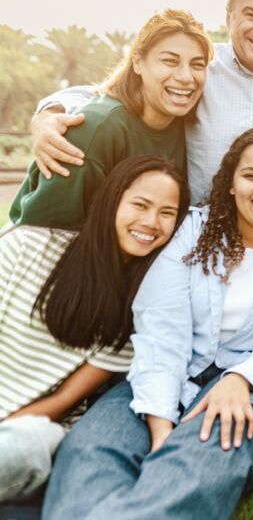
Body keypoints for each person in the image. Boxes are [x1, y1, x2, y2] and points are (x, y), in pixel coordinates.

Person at [42, 127, 253, 520]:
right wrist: (160, 424)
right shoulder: (192, 233)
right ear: (230, 182)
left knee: (204, 452)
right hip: (177, 369)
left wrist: (241, 379)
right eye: (251, 175)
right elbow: (162, 329)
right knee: (92, 448)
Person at [29, 0, 253, 204]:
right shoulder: (198, 67)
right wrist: (47, 115)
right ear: (229, 19)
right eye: (252, 15)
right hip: (192, 236)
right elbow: (113, 91)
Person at [0, 156, 188, 505]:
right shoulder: (27, 247)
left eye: (167, 213)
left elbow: (62, 401)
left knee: (23, 444)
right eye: (140, 205)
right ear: (111, 201)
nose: (151, 222)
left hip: (27, 433)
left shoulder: (139, 312)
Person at [9, 10, 210, 229]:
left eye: (197, 65)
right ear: (138, 62)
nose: (185, 77)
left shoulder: (192, 123)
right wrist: (46, 114)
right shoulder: (96, 129)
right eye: (170, 61)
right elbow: (43, 234)